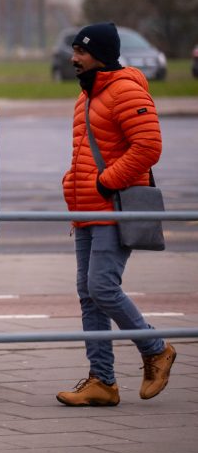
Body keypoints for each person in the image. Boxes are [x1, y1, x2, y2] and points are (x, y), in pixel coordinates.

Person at [55, 22, 175, 407]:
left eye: (81, 51)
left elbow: (148, 146)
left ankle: (155, 349)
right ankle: (102, 381)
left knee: (102, 287)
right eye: (73, 50)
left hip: (112, 207)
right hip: (87, 210)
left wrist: (107, 182)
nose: (73, 58)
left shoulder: (124, 89)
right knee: (89, 296)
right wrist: (72, 182)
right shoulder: (87, 96)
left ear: (101, 55)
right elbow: (86, 151)